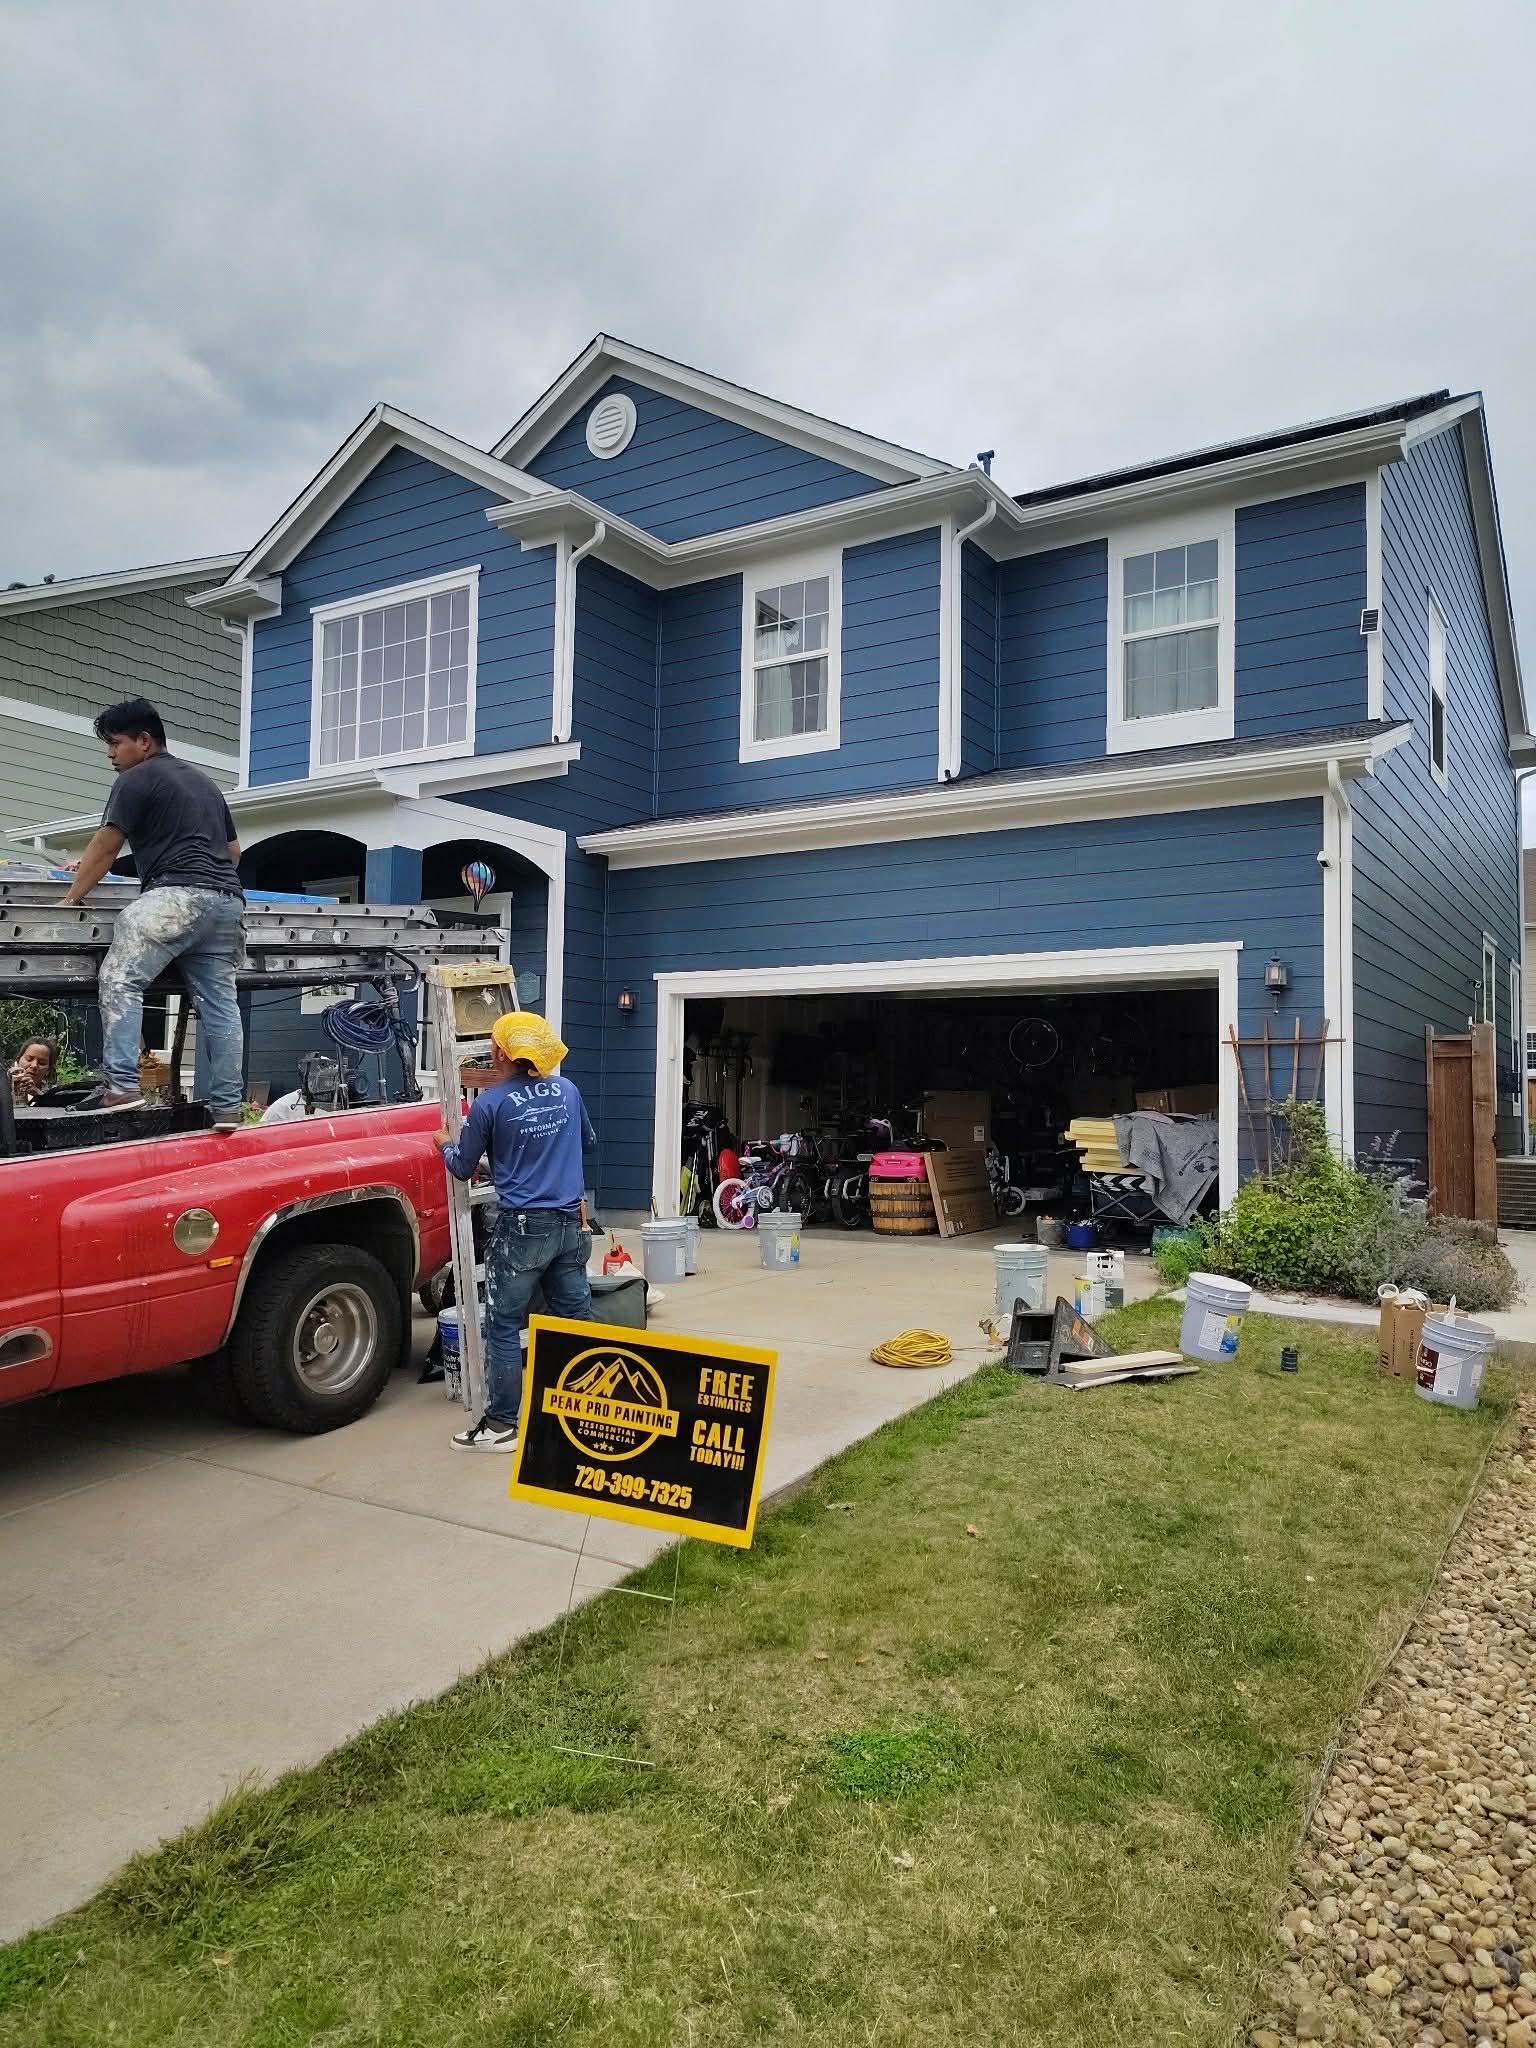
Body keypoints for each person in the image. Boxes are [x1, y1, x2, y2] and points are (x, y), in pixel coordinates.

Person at [60, 699, 246, 1127]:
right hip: (227, 902)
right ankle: (227, 1107)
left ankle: (122, 1086)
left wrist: (72, 898)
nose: (110, 753)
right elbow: (231, 852)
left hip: (176, 899)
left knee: (121, 977)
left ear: (144, 742)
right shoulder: (204, 783)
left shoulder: (136, 778)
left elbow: (106, 845)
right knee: (221, 1007)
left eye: (115, 743)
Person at [435, 1011, 595, 1452]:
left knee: (503, 1324)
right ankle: (585, 1410)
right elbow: (583, 1142)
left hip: (524, 1227)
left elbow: (462, 1167)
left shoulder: (489, 1103)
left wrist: (444, 1143)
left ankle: (502, 1424)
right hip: (569, 1223)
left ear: (500, 1053)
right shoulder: (567, 1090)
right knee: (574, 1319)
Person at [8, 1037, 56, 1105]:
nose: (34, 1066)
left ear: (48, 1070)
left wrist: (38, 1095)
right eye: (29, 1059)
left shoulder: (53, 1094)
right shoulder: (3, 1086)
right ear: (18, 1061)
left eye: (42, 1063)